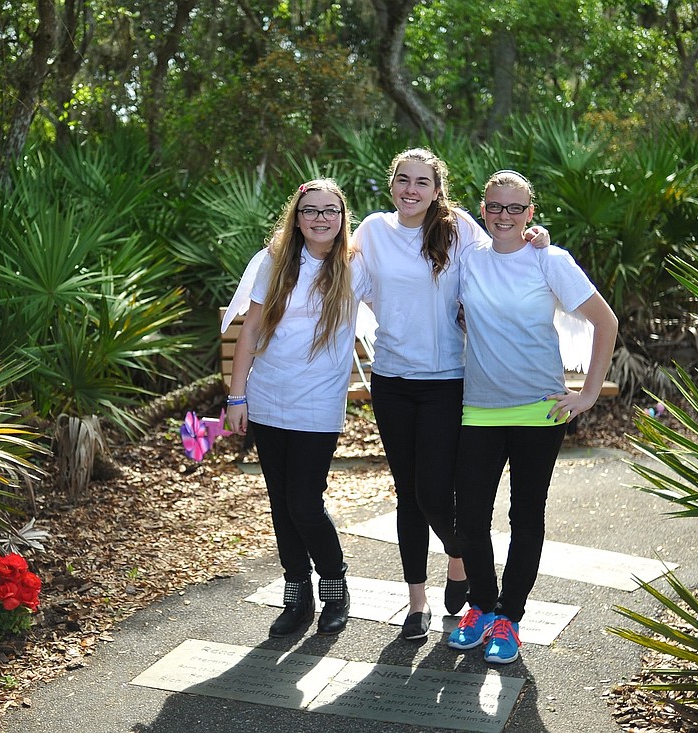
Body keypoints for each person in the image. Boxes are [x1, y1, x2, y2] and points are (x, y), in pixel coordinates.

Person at [352, 149, 549, 641]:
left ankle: (459, 556)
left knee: (435, 493)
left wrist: (536, 238)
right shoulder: (373, 231)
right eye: (403, 180)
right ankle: (416, 602)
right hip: (392, 379)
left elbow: (505, 251)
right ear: (391, 184)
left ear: (437, 188)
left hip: (447, 378)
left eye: (422, 181)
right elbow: (342, 280)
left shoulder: (460, 227)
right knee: (406, 494)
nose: (411, 189)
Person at [446, 169, 618, 664]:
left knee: (526, 516)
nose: (504, 216)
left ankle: (509, 618)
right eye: (495, 207)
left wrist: (587, 395)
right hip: (479, 408)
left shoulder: (550, 259)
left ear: (530, 214)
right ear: (483, 210)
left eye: (515, 208)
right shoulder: (467, 260)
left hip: (538, 411)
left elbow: (604, 322)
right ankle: (480, 606)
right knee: (471, 516)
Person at [226, 178, 371, 638]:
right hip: (268, 397)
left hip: (317, 402)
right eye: (311, 211)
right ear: (297, 217)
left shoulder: (357, 266)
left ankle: (334, 585)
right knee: (280, 503)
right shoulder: (275, 262)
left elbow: (419, 268)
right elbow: (249, 330)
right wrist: (237, 394)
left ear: (343, 217)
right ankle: (297, 594)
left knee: (305, 503)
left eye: (331, 211)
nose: (321, 219)